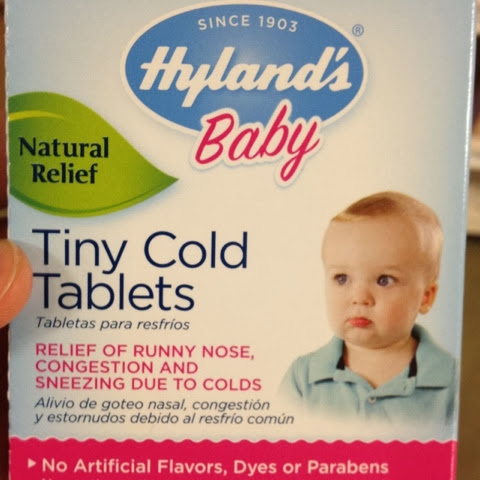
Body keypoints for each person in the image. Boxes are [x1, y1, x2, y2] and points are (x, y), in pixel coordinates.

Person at [280, 191, 457, 426]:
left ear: (426, 297)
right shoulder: (303, 378)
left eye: (384, 280)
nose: (359, 298)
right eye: (342, 278)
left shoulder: (450, 380)